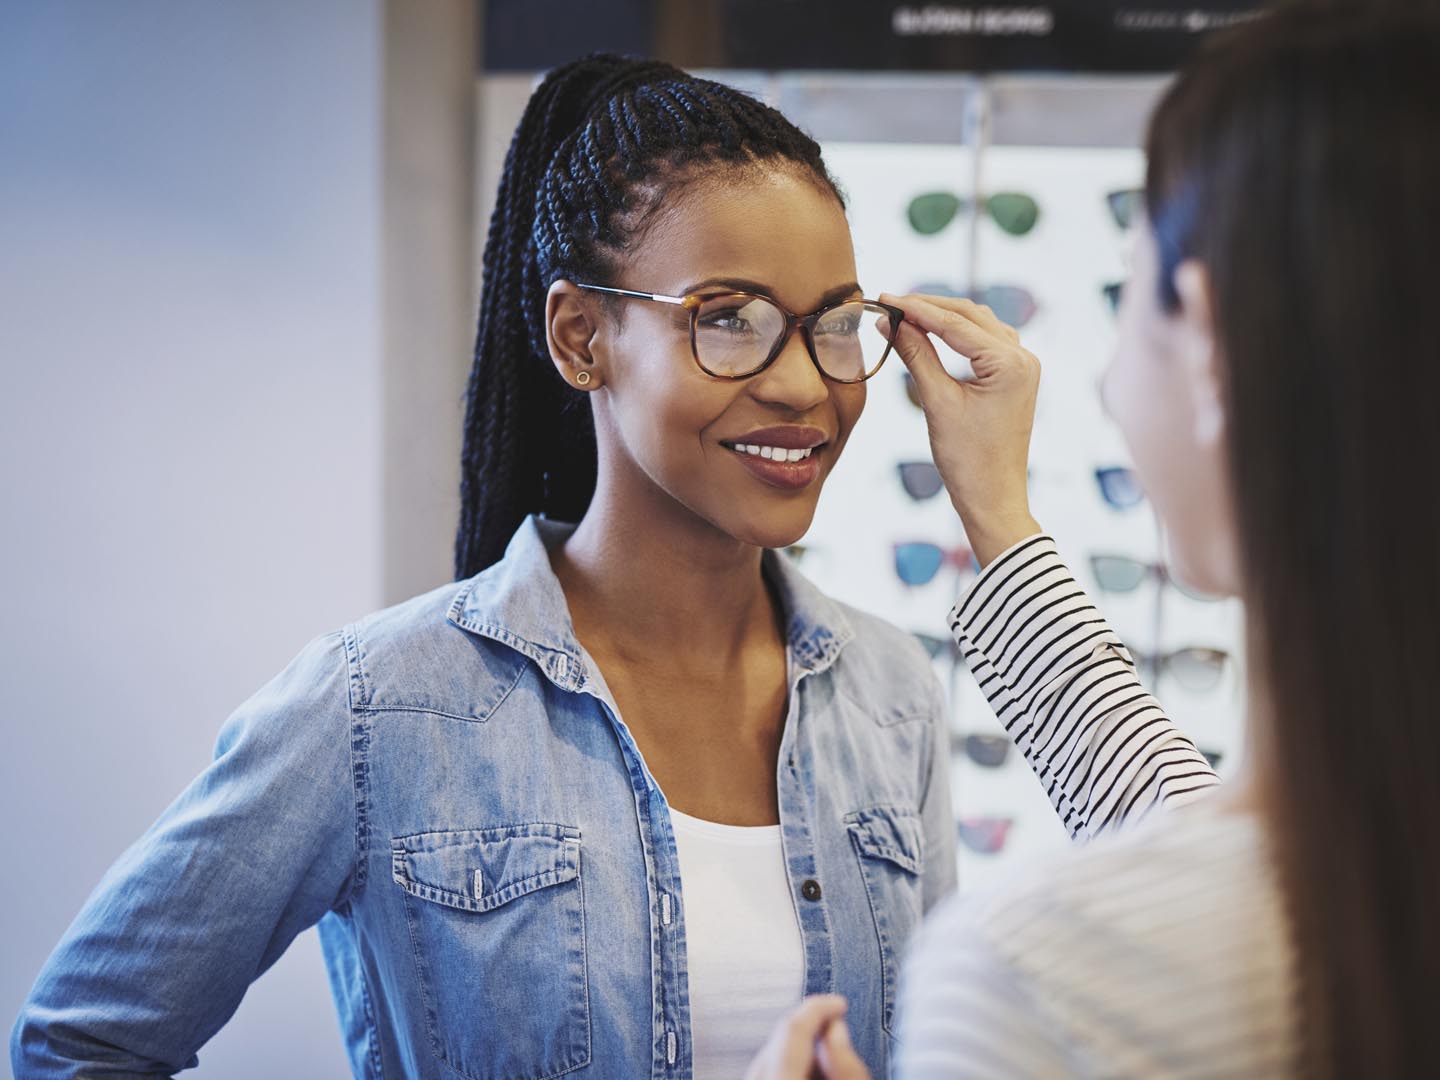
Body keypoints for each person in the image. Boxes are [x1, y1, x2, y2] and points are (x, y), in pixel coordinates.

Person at [10, 55, 965, 1079]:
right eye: (727, 319)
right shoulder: (381, 707)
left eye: (833, 324)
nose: (802, 382)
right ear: (580, 337)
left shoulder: (889, 693)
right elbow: (80, 1045)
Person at [750, 4, 1440, 1076]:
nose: (1116, 381)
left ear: (1208, 344)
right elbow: (1189, 823)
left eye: (1129, 301)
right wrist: (1000, 517)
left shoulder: (1047, 976)